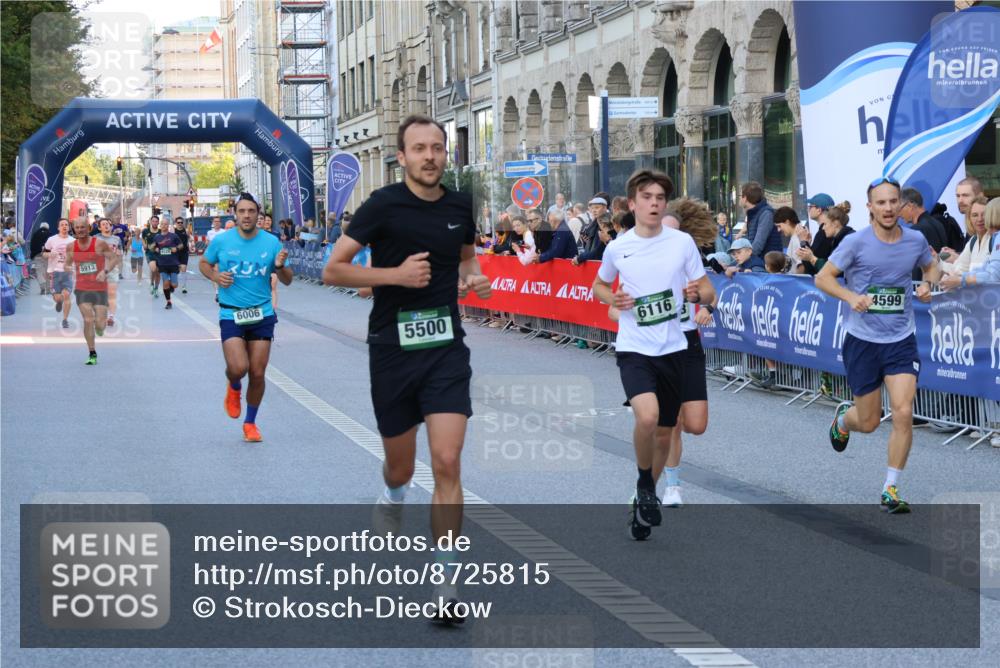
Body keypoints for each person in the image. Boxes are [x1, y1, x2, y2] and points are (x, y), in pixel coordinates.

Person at [322, 113, 491, 622]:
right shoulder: (382, 205)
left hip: (445, 348)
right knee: (401, 463)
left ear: (447, 153)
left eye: (437, 147)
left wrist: (473, 279)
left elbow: (465, 261)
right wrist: (394, 274)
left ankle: (446, 582)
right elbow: (333, 269)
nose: (430, 156)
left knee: (446, 461)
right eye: (419, 148)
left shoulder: (462, 204)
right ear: (402, 157)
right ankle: (394, 491)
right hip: (392, 349)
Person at [592, 170, 714, 540]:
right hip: (635, 350)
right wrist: (612, 298)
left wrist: (698, 296)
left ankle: (644, 496)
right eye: (646, 197)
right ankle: (646, 484)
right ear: (633, 204)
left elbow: (707, 289)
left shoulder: (681, 244)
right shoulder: (618, 247)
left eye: (660, 197)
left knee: (665, 434)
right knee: (647, 418)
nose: (654, 203)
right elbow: (599, 284)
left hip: (675, 349)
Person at [815, 177, 941, 513]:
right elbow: (823, 277)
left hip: (900, 338)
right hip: (863, 340)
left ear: (901, 204)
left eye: (893, 201)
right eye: (881, 203)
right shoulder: (855, 243)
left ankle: (891, 488)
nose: (888, 208)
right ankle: (844, 420)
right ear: (870, 206)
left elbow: (932, 266)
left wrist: (929, 284)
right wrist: (851, 296)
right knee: (869, 422)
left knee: (903, 411)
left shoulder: (915, 239)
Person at [200, 192, 292, 442]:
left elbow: (287, 280)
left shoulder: (271, 243)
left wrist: (281, 267)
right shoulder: (222, 241)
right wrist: (215, 277)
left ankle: (250, 423)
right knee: (239, 368)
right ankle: (233, 385)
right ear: (235, 214)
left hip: (262, 313)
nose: (247, 215)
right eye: (242, 211)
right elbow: (204, 263)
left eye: (252, 211)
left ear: (258, 215)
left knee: (258, 373)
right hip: (231, 313)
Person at [65, 217, 119, 365]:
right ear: (73, 229)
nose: (80, 230)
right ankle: (92, 352)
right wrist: (68, 268)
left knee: (100, 325)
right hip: (82, 289)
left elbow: (114, 259)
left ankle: (100, 328)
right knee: (88, 320)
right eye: (77, 227)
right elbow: (67, 264)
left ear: (88, 228)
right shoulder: (71, 247)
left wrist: (105, 271)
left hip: (100, 289)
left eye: (83, 227)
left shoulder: (99, 244)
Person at [941, 198, 999, 289]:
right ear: (969, 219)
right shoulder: (973, 241)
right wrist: (937, 260)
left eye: (984, 215)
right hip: (981, 299)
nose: (980, 219)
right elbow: (959, 270)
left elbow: (993, 276)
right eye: (975, 215)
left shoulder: (996, 238)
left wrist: (961, 280)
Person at [797, 202, 855, 275]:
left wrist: (812, 258)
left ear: (835, 224)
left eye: (825, 224)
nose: (823, 228)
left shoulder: (846, 241)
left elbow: (832, 270)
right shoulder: (840, 240)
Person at [898, 188, 947, 264]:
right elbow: (945, 255)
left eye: (899, 209)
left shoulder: (915, 231)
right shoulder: (938, 223)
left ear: (910, 205)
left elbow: (915, 266)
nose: (898, 215)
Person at [43, 218, 75, 328]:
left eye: (66, 225)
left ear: (69, 227)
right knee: (57, 297)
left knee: (67, 295)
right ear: (58, 227)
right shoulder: (51, 240)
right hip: (54, 272)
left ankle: (65, 320)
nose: (64, 226)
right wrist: (50, 254)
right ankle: (58, 301)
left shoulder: (73, 241)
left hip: (67, 272)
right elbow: (44, 254)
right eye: (62, 225)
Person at [740, 182, 783, 260]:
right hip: (759, 262)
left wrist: (740, 261)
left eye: (740, 196)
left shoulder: (766, 214)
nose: (739, 199)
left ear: (745, 198)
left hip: (767, 266)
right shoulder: (753, 213)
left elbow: (757, 246)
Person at [96, 219, 123, 326]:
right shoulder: (96, 238)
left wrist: (118, 255)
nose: (106, 226)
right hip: (98, 269)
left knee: (111, 294)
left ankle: (111, 317)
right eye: (103, 224)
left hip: (112, 269)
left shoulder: (117, 239)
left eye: (108, 224)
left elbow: (120, 254)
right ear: (99, 228)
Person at [152, 219, 183, 310]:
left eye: (166, 224)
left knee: (174, 285)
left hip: (173, 263)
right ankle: (168, 302)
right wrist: (155, 249)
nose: (164, 226)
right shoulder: (157, 237)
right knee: (165, 283)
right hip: (162, 263)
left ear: (168, 226)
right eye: (162, 224)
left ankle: (171, 286)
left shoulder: (174, 236)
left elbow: (181, 245)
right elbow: (152, 246)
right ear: (160, 225)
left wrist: (176, 249)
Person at [773, 206, 803, 273]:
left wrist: (797, 282)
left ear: (787, 222)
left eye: (779, 226)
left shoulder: (797, 239)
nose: (778, 230)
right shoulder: (795, 237)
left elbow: (801, 266)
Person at [141, 216, 161, 298]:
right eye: (153, 221)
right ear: (150, 222)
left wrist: (159, 248)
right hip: (150, 253)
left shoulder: (160, 231)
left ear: (158, 222)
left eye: (156, 221)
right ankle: (151, 284)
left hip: (159, 254)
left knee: (158, 272)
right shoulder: (145, 231)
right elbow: (143, 240)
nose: (155, 223)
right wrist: (145, 245)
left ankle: (156, 288)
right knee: (153, 269)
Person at [29, 222, 50, 294]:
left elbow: (32, 246)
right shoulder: (49, 234)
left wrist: (32, 255)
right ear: (47, 227)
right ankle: (48, 289)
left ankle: (42, 286)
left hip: (37, 255)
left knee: (39, 271)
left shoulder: (35, 234)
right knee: (47, 271)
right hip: (47, 255)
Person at [172, 217, 191, 294]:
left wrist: (191, 243)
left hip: (184, 252)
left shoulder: (186, 231)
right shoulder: (173, 231)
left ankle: (184, 286)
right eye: (178, 222)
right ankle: (172, 285)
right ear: (176, 223)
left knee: (183, 269)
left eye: (181, 222)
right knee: (175, 270)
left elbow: (190, 238)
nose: (180, 224)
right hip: (175, 253)